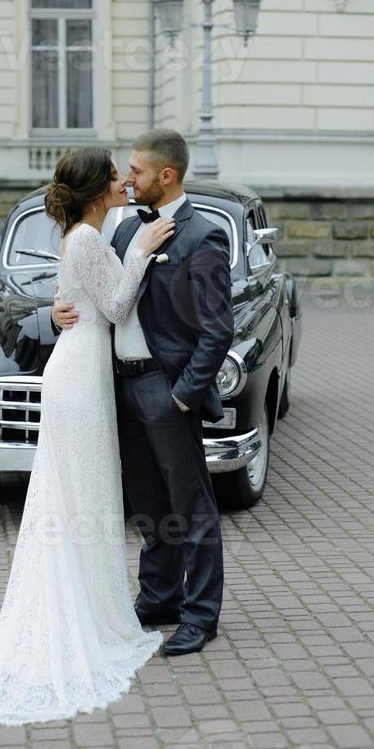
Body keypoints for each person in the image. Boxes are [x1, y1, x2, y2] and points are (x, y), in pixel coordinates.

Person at [0, 147, 174, 728]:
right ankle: (81, 619)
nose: (126, 181)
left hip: (82, 370)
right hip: (78, 380)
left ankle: (94, 608)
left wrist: (62, 303)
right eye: (116, 177)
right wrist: (145, 254)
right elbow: (119, 305)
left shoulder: (86, 234)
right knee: (79, 495)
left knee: (85, 494)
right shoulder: (88, 239)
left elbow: (81, 297)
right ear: (99, 191)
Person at [52, 129, 233, 657]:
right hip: (117, 384)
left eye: (136, 171)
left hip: (166, 388)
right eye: (124, 171)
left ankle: (200, 616)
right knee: (150, 508)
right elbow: (95, 289)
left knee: (192, 509)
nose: (128, 178)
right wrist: (55, 309)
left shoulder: (203, 236)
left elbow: (217, 330)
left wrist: (184, 395)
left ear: (166, 175)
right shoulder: (124, 229)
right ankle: (158, 598)